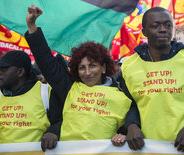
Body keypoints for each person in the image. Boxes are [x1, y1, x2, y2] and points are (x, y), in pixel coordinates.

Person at [25, 5, 132, 151]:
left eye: (92, 66)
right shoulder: (70, 88)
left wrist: (123, 135)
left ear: (104, 68)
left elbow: (132, 125)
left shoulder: (122, 95)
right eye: (82, 67)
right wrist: (32, 27)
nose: (87, 72)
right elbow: (46, 62)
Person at [119, 7, 184, 152]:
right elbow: (127, 103)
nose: (163, 29)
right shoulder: (128, 65)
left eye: (168, 25)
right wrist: (131, 125)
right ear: (144, 31)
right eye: (155, 25)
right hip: (144, 148)